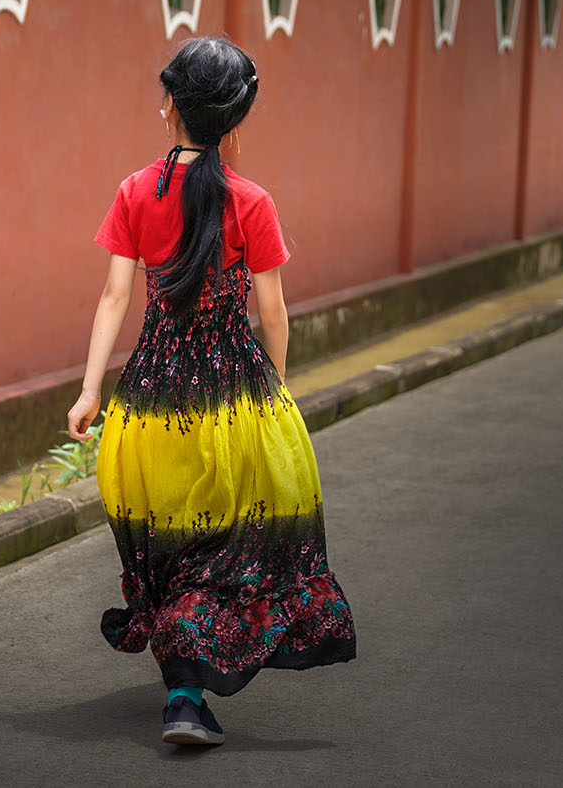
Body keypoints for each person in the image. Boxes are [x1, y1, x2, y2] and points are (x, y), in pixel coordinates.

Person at [65, 37, 356, 746]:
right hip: (232, 397)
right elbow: (273, 312)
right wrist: (273, 392)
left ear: (170, 105)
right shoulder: (251, 201)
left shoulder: (136, 192)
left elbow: (114, 298)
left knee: (171, 539)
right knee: (225, 543)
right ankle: (187, 697)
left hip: (152, 403)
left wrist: (89, 391)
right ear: (234, 119)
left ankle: (185, 693)